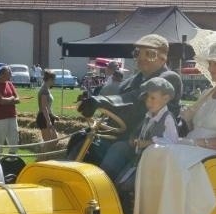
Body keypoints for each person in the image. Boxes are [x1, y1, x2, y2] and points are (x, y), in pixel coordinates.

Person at [130, 41, 216, 214]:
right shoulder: (209, 93)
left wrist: (195, 143)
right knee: (153, 151)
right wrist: (163, 119)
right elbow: (186, 117)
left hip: (213, 148)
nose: (211, 68)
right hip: (190, 144)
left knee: (167, 155)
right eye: (211, 63)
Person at [77, 34, 182, 180]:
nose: (141, 58)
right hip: (124, 135)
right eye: (138, 53)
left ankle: (108, 194)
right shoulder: (131, 81)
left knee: (117, 151)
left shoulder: (169, 78)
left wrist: (102, 100)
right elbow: (119, 106)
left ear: (163, 58)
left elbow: (135, 97)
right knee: (82, 138)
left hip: (151, 141)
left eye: (150, 54)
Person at [0, 66, 20, 153]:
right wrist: (12, 99)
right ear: (2, 74)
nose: (10, 76)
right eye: (9, 74)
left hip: (12, 116)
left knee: (14, 139)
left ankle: (12, 158)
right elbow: (1, 102)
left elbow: (18, 99)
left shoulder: (10, 84)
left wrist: (8, 99)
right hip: (0, 118)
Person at [37, 70, 58, 155]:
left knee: (54, 140)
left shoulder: (46, 89)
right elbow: (44, 107)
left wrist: (53, 115)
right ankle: (40, 161)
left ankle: (44, 157)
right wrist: (48, 121)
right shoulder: (44, 90)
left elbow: (48, 107)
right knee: (47, 142)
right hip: (43, 118)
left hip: (48, 117)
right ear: (50, 79)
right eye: (54, 79)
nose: (54, 81)